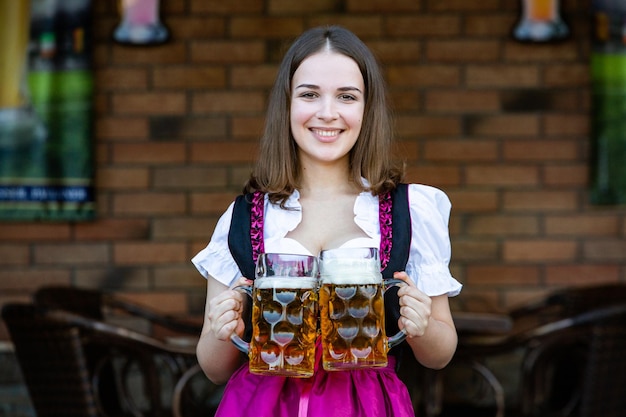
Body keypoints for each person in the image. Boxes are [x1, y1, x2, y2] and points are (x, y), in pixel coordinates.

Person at [192, 25, 462, 417]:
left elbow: (440, 355)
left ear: (367, 108)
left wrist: (420, 326)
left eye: (347, 96)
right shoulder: (245, 216)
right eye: (309, 94)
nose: (327, 113)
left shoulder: (410, 209)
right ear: (287, 104)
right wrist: (223, 330)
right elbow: (214, 368)